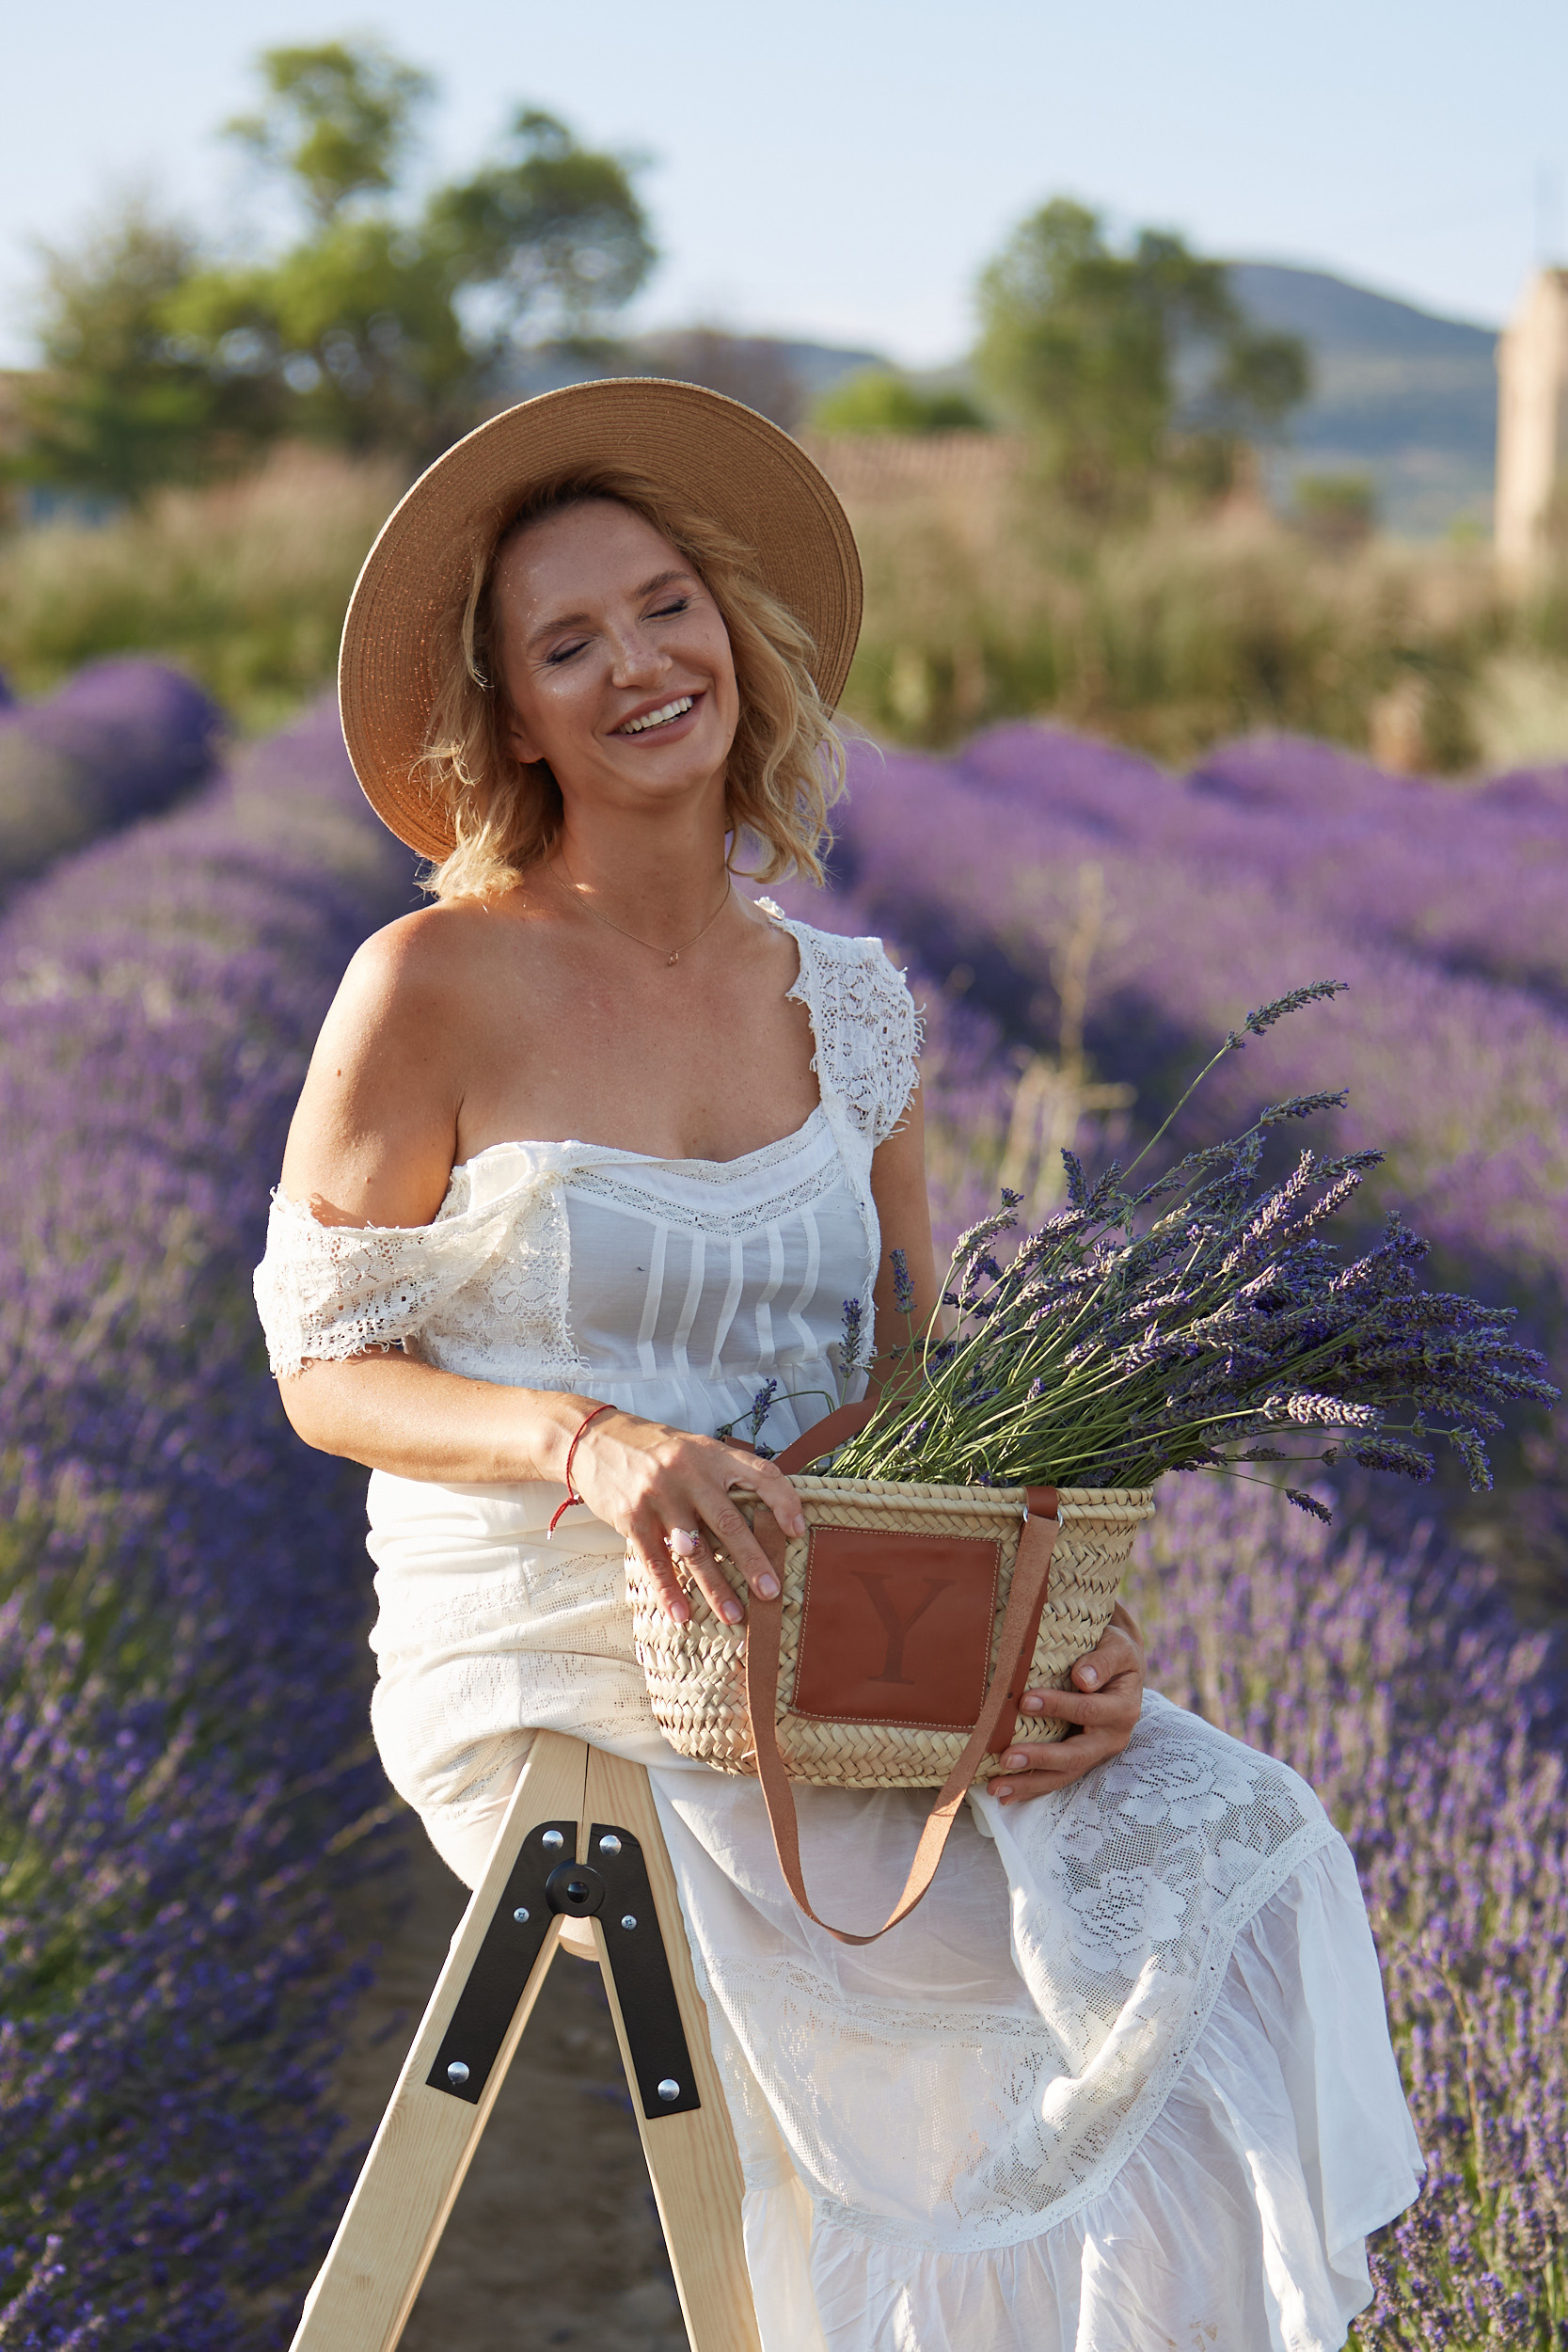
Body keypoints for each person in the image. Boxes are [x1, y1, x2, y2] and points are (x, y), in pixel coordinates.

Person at [254, 380, 1421, 2352]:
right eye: (568, 641)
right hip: (550, 1636)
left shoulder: (855, 1005)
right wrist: (588, 1440)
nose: (640, 660)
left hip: (820, 1622)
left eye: (665, 605)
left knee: (1244, 1855)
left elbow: (903, 1392)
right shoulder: (425, 983)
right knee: (992, 1978)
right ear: (512, 715)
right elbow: (322, 1370)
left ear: (736, 633)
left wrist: (1037, 1632)